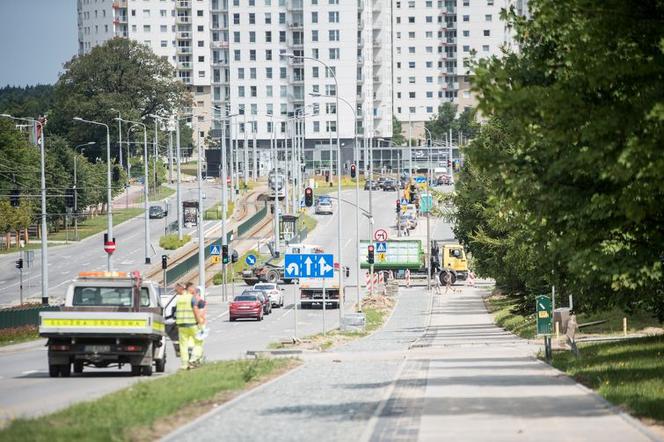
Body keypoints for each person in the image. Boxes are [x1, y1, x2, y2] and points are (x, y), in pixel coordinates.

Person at [175, 282, 201, 370]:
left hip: (181, 326)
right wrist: (200, 323)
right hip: (192, 324)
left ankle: (184, 364)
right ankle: (193, 359)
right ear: (189, 289)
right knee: (198, 342)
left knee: (183, 346)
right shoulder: (191, 298)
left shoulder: (179, 299)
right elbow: (195, 311)